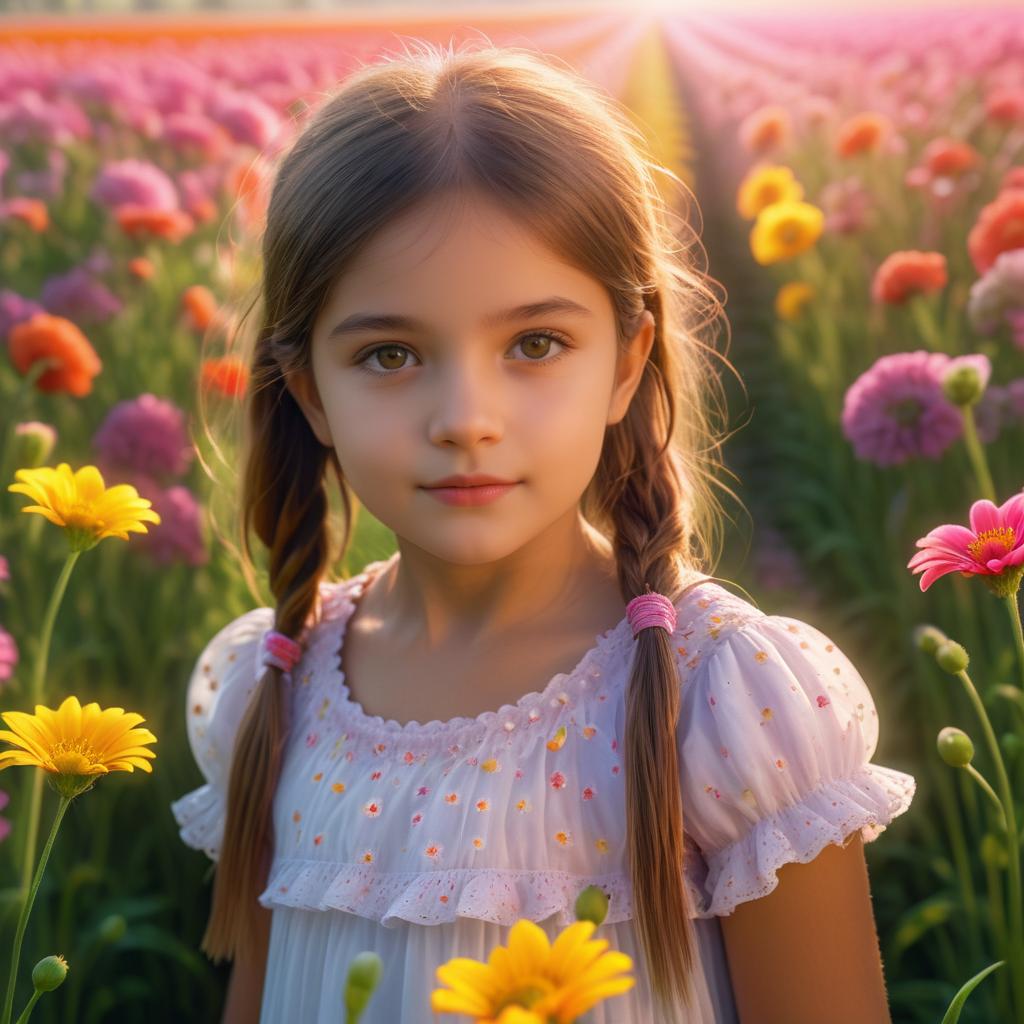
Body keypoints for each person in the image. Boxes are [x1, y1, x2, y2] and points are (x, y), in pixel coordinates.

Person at [170, 40, 916, 1024]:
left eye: (534, 344)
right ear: (308, 389)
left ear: (626, 359)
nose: (465, 416)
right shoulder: (271, 696)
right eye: (390, 354)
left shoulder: (724, 708)